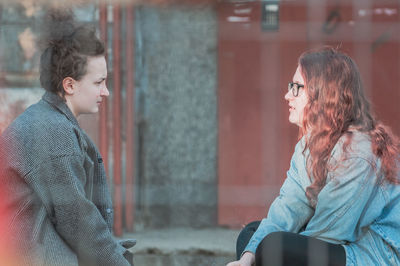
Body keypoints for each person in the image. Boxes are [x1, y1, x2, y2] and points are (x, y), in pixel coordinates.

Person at [227, 47, 400, 266]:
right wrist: (247, 259)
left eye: (296, 88)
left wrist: (267, 251)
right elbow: (288, 207)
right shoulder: (308, 145)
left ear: (323, 95)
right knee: (251, 235)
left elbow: (330, 231)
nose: (287, 95)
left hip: (374, 254)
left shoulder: (358, 153)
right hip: (341, 242)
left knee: (272, 247)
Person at [0, 10, 134, 265]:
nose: (105, 92)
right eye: (99, 82)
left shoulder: (47, 121)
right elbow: (79, 222)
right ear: (69, 85)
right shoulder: (53, 133)